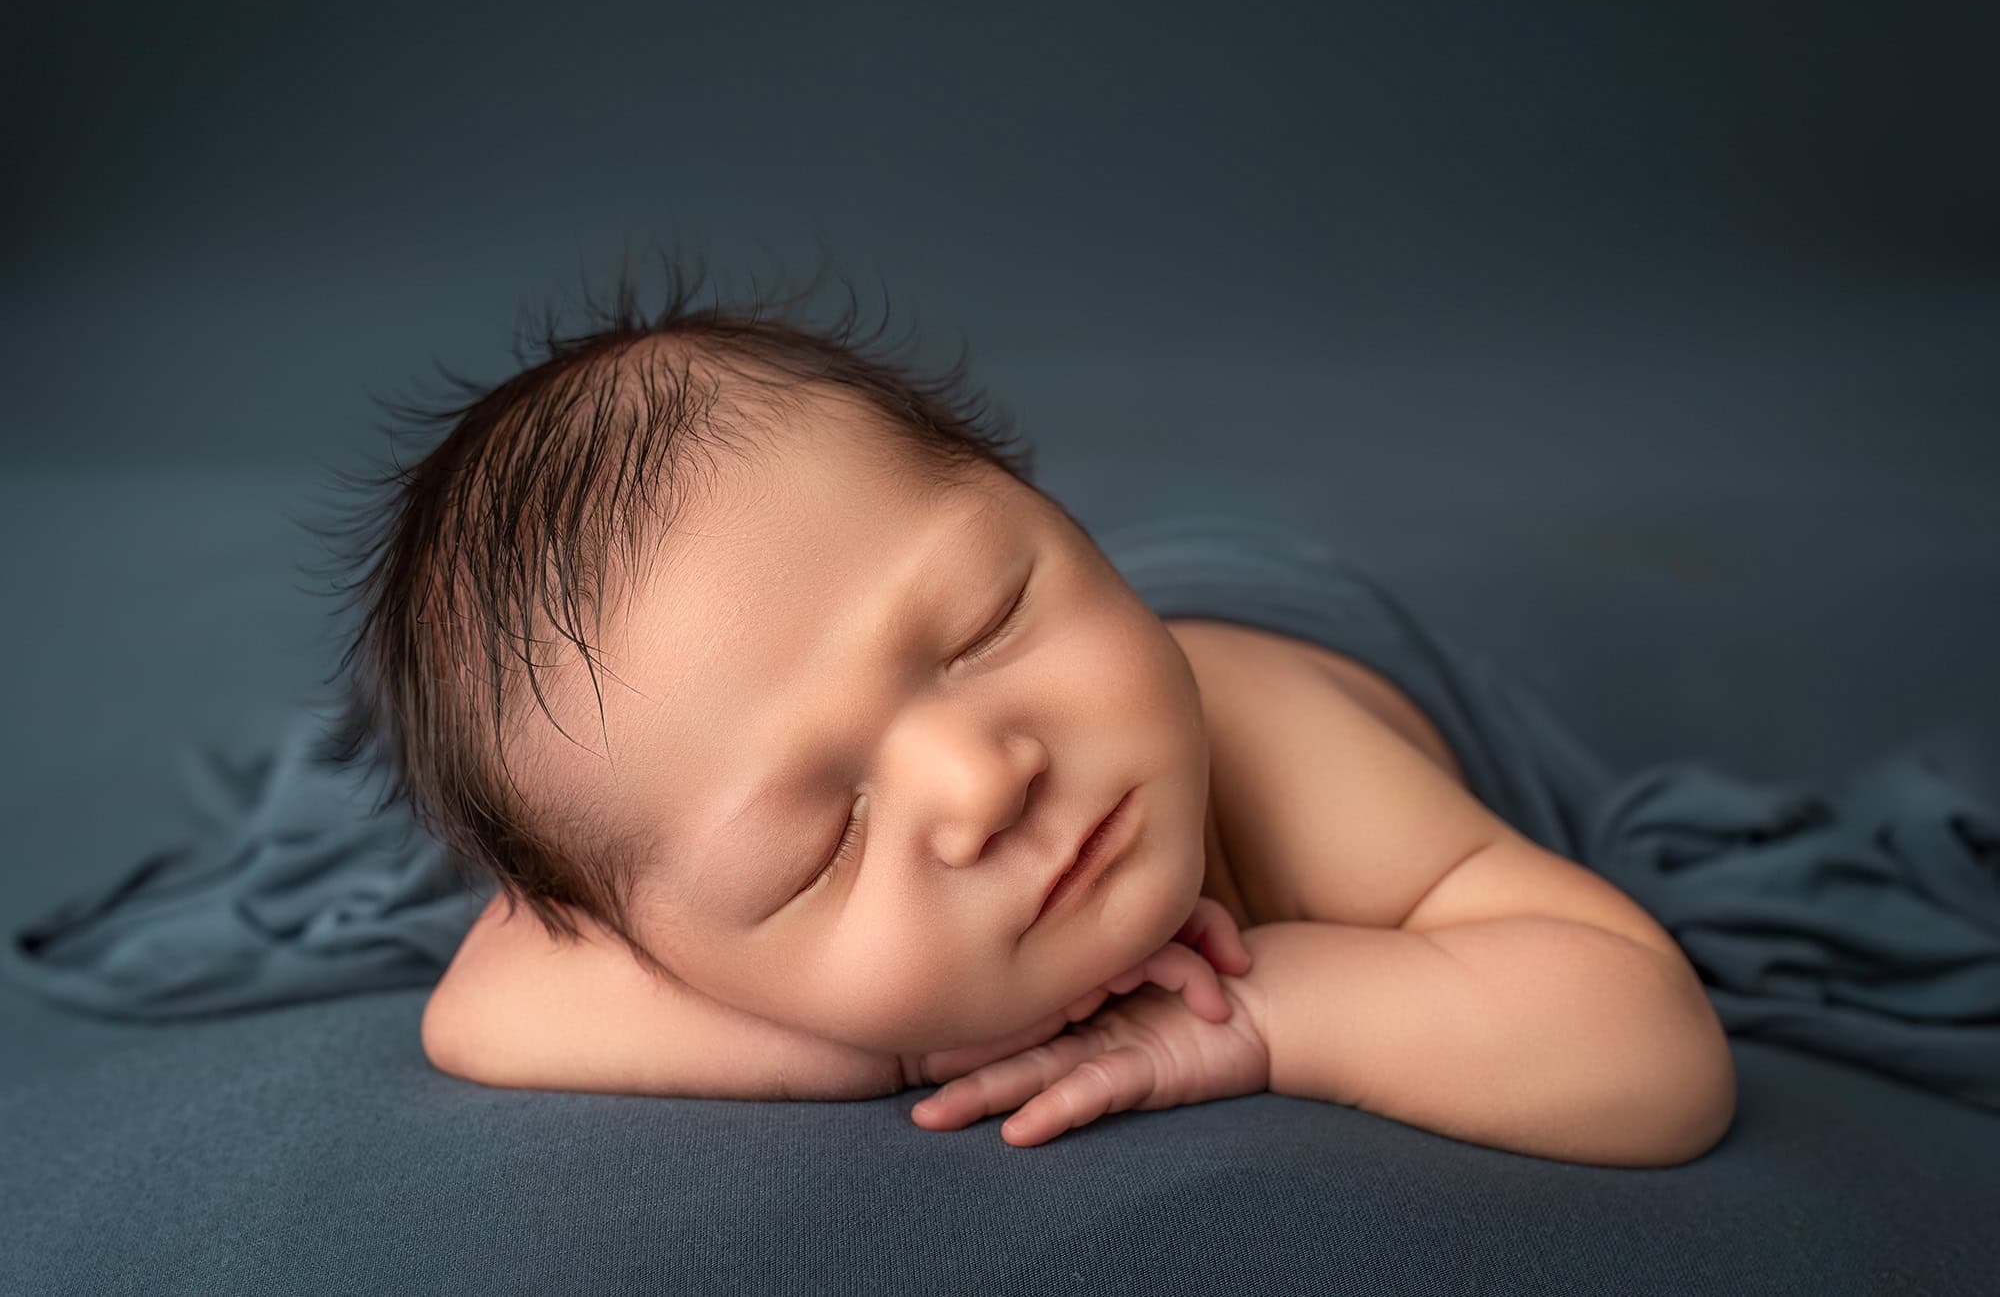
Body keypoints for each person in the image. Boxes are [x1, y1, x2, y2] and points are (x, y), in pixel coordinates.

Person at [323, 242, 1735, 1165]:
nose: (980, 778)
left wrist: (1264, 1019)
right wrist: (897, 1038)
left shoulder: (1300, 772)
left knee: (1181, 647)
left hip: (1283, 632)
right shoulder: (688, 896)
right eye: (822, 845)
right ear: (681, 952)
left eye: (987, 622)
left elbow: (1650, 1050)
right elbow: (483, 1009)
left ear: (1049, 509)